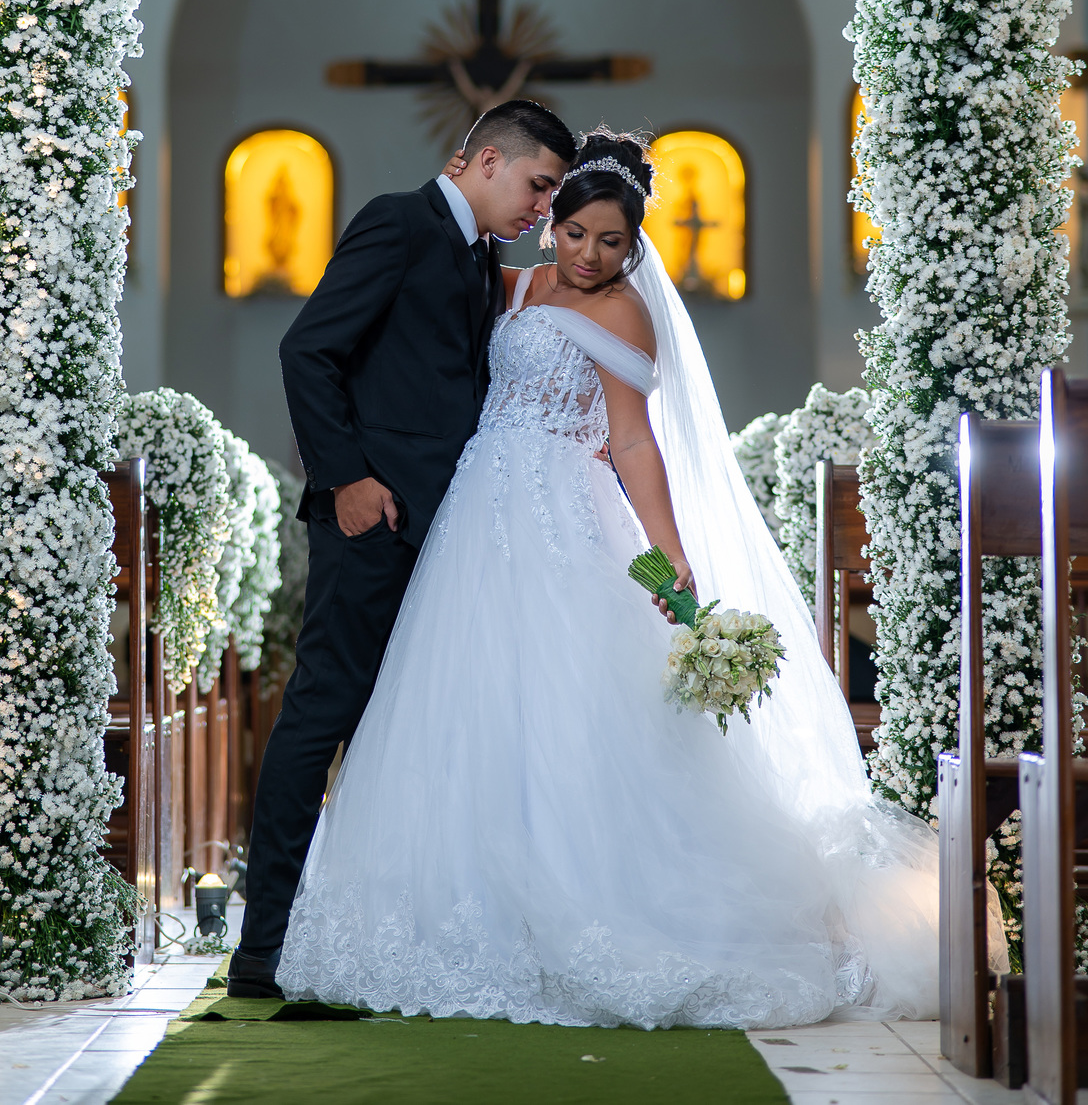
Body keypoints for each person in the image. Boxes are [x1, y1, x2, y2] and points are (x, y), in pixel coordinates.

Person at [275, 128, 947, 1029]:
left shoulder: (626, 311)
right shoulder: (512, 284)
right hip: (475, 520)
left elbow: (631, 440)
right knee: (467, 707)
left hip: (564, 517)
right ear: (550, 221)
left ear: (634, 245)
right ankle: (469, 909)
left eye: (612, 240)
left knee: (571, 710)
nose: (590, 253)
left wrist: (669, 556)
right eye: (575, 231)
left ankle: (599, 905)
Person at [229, 98, 576, 997]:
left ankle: (381, 936)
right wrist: (346, 479)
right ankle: (261, 948)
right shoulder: (398, 220)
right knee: (321, 714)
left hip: (444, 534)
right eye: (538, 185)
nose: (543, 207)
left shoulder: (479, 253)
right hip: (371, 522)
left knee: (410, 730)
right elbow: (308, 350)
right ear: (487, 160)